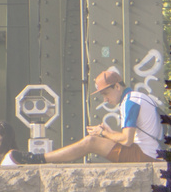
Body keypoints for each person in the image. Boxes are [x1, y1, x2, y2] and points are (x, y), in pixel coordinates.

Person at [26, 68, 160, 164]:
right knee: (95, 139)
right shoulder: (137, 96)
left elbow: (126, 141)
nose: (105, 99)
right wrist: (110, 133)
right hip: (150, 152)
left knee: (90, 142)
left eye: (106, 94)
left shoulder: (129, 102)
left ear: (117, 86)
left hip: (144, 155)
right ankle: (42, 158)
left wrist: (103, 133)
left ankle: (40, 159)